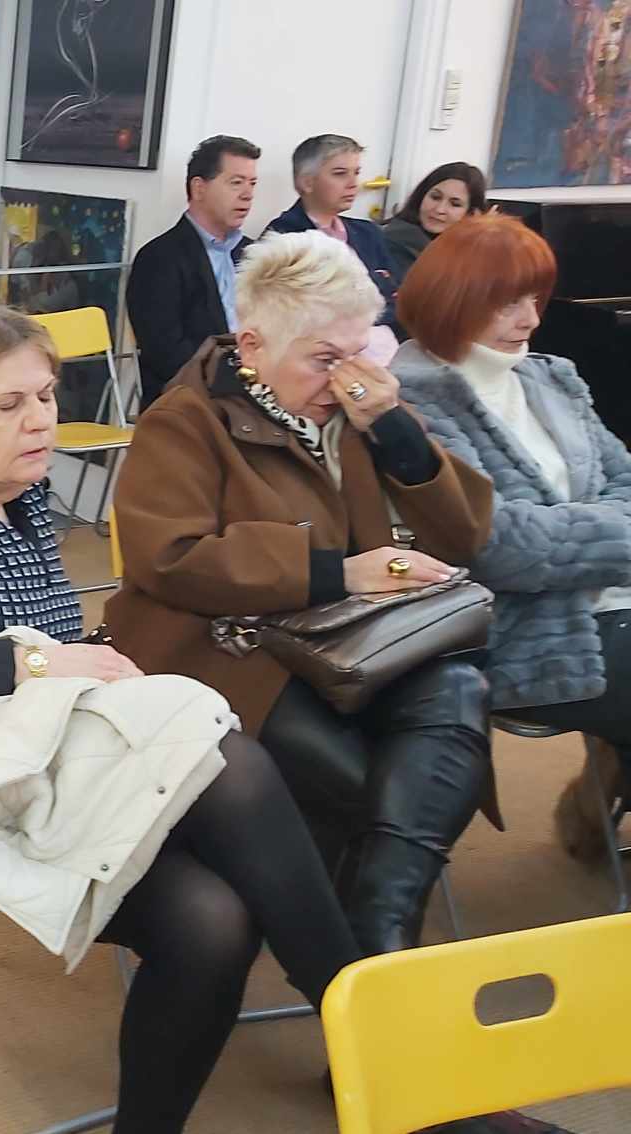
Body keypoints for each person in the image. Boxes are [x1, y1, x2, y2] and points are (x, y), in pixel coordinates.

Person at [0, 305, 360, 1134]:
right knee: (227, 803)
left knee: (219, 871)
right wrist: (35, 665)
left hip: (27, 755)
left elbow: (52, 649)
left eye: (46, 396)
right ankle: (376, 1038)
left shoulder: (24, 501)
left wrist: (95, 660)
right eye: (8, 405)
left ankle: (365, 1032)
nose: (40, 421)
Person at [105, 231, 497, 956]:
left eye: (359, 353)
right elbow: (169, 558)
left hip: (353, 643)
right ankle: (371, 959)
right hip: (232, 653)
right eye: (324, 359)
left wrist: (397, 433)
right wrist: (336, 572)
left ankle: (374, 939)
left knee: (458, 696)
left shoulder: (357, 413)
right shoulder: (185, 420)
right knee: (381, 787)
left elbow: (468, 533)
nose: (347, 379)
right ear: (252, 346)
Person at [393, 214, 631, 863]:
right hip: (524, 627)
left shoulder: (550, 377)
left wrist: (586, 533)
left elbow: (623, 478)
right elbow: (498, 543)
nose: (530, 318)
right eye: (508, 303)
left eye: (536, 299)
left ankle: (598, 799)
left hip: (608, 603)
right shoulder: (415, 401)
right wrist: (615, 534)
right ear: (454, 300)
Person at [125, 134, 259, 410]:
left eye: (252, 183)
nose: (248, 194)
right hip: (192, 402)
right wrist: (241, 381)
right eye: (236, 182)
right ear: (199, 188)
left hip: (256, 396)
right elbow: (166, 354)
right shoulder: (159, 258)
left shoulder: (256, 254)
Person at [265, 134, 402, 338]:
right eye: (340, 174)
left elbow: (399, 300)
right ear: (307, 182)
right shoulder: (284, 237)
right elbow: (307, 316)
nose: (353, 183)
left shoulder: (368, 233)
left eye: (356, 173)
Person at [382, 161, 490, 280]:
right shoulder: (399, 241)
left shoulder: (466, 249)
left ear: (471, 213)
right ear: (422, 195)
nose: (439, 209)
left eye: (455, 204)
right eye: (435, 197)